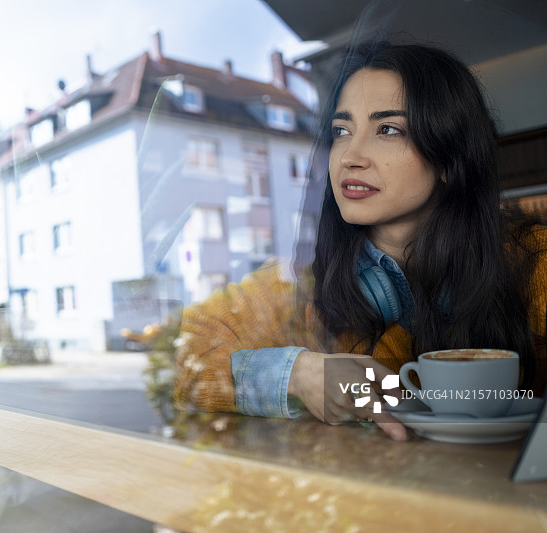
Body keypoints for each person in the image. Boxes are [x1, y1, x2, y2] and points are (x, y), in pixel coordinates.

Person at [173, 40, 547, 441]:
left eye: (387, 129)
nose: (350, 155)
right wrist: (298, 375)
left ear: (447, 156)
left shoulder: (533, 259)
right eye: (341, 130)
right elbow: (183, 361)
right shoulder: (298, 280)